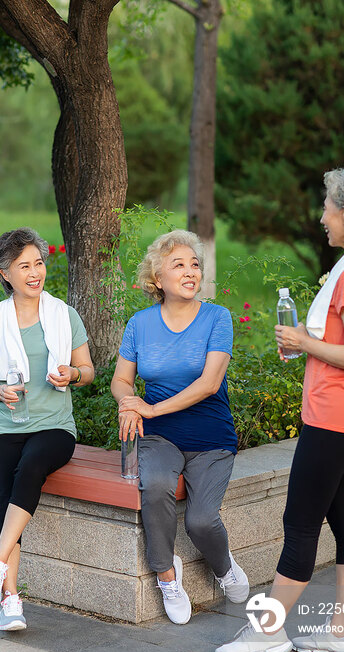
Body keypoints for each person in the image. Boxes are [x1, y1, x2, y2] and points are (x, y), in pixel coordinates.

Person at [215, 163, 344, 652]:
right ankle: (341, 634)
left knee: (300, 524)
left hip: (334, 418)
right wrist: (312, 343)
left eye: (327, 208)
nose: (322, 217)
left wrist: (304, 341)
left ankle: (267, 631)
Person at [111, 229, 249, 624]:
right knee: (153, 487)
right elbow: (121, 380)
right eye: (179, 265)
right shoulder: (140, 324)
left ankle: (223, 567)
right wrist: (129, 404)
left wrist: (150, 408)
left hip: (211, 436)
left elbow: (208, 384)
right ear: (157, 279)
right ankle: (167, 576)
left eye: (195, 265)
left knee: (202, 520)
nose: (191, 272)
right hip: (160, 437)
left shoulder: (217, 317)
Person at [0, 227, 94, 631]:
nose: (34, 272)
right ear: (5, 273)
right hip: (3, 428)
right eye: (23, 266)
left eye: (38, 263)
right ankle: (9, 598)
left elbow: (88, 371)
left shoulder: (63, 315)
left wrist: (72, 373)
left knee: (30, 467)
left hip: (54, 427)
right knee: (5, 499)